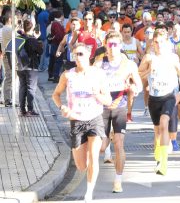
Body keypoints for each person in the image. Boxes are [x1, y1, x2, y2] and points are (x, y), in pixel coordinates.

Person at [52, 43, 112, 202]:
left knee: (93, 157)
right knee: (81, 165)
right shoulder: (67, 75)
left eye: (81, 54)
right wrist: (62, 107)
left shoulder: (98, 74)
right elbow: (56, 95)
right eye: (75, 54)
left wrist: (97, 96)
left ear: (89, 55)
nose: (78, 58)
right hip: (76, 120)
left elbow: (108, 99)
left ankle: (89, 193)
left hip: (95, 119)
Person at [139, 29, 180, 175]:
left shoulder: (173, 58)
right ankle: (158, 156)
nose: (159, 45)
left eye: (162, 42)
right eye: (156, 42)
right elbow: (138, 76)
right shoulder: (148, 58)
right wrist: (149, 72)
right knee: (157, 130)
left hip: (168, 97)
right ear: (153, 43)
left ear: (167, 42)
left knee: (164, 124)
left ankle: (163, 163)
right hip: (154, 99)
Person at [95, 31, 142, 193]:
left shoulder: (128, 64)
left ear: (120, 46)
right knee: (101, 147)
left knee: (119, 144)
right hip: (102, 108)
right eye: (110, 44)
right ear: (105, 46)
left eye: (116, 44)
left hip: (120, 107)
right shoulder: (100, 63)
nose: (113, 48)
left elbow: (139, 85)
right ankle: (106, 138)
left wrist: (135, 88)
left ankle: (118, 180)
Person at [17, 19, 44, 116]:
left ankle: (21, 110)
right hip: (31, 66)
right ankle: (30, 110)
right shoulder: (32, 40)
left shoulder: (19, 38)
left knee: (22, 87)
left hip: (20, 66)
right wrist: (36, 39)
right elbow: (40, 51)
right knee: (31, 88)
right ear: (32, 28)